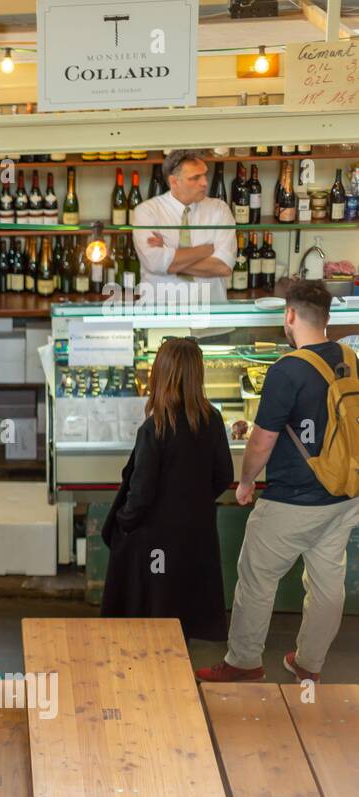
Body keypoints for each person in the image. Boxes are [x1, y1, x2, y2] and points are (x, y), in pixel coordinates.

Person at [198, 280, 359, 682]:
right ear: (326, 318)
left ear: (289, 316)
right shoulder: (349, 356)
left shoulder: (287, 370)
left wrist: (245, 481)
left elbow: (262, 440)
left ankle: (244, 663)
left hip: (292, 500)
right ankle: (309, 664)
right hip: (343, 492)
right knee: (326, 583)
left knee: (256, 579)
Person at [101, 338, 234, 641]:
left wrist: (124, 521)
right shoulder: (212, 419)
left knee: (153, 617)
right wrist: (194, 501)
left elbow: (142, 491)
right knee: (184, 613)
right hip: (196, 534)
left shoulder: (156, 426)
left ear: (160, 373)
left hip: (153, 539)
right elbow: (224, 474)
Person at [131, 149, 235, 306]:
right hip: (161, 316)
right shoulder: (147, 212)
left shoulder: (220, 209)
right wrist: (205, 250)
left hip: (211, 319)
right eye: (195, 178)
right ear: (174, 182)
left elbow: (223, 267)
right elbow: (153, 263)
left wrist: (169, 257)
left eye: (204, 174)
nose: (204, 183)